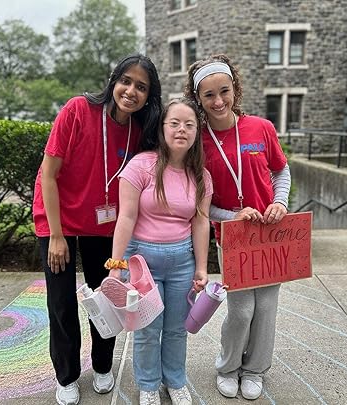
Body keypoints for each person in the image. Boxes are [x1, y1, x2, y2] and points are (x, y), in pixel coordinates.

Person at [32, 53, 162, 405]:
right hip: (58, 219)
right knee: (60, 303)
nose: (131, 91)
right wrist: (57, 236)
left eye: (141, 87)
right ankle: (67, 376)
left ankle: (103, 366)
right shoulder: (78, 110)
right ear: (113, 80)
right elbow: (49, 173)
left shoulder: (141, 130)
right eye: (126, 81)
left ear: (149, 96)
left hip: (102, 227)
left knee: (106, 296)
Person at [184, 54, 291, 401]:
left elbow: (281, 171)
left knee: (267, 308)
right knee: (242, 309)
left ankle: (255, 370)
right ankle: (228, 367)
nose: (218, 101)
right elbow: (200, 203)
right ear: (197, 99)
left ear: (235, 89)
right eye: (208, 95)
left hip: (270, 233)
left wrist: (280, 202)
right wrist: (231, 216)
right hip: (232, 236)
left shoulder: (261, 128)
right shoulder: (197, 141)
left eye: (224, 91)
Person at [106, 97, 213, 405]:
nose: (182, 130)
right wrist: (116, 265)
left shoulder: (201, 176)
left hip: (182, 262)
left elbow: (201, 223)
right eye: (175, 123)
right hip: (143, 262)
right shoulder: (141, 165)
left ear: (196, 132)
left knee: (178, 329)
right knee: (148, 330)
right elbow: (125, 217)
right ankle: (149, 384)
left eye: (189, 124)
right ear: (162, 128)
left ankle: (175, 380)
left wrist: (201, 268)